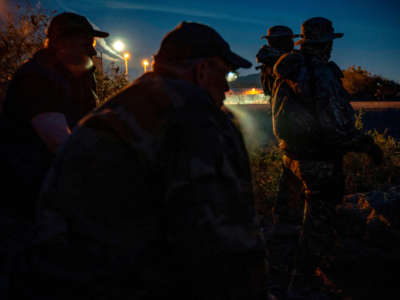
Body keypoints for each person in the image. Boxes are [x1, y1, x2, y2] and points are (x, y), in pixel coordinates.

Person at [37, 21, 267, 299]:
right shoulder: (196, 115)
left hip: (63, 275)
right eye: (225, 74)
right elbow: (220, 237)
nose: (227, 88)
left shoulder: (122, 105)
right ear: (202, 69)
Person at [269, 17, 383, 291]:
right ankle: (304, 284)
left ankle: (275, 270)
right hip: (318, 160)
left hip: (292, 155)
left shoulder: (290, 67)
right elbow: (334, 126)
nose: (331, 47)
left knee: (287, 219)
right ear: (325, 43)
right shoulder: (320, 73)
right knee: (317, 226)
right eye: (330, 42)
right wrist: (366, 145)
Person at [0, 12, 108, 220]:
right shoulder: (37, 77)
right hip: (32, 195)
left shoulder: (78, 78)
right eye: (86, 43)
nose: (93, 50)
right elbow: (61, 144)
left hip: (58, 187)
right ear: (62, 44)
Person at [255, 25, 299, 97]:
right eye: (288, 40)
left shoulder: (271, 58)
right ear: (276, 41)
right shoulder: (275, 60)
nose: (292, 43)